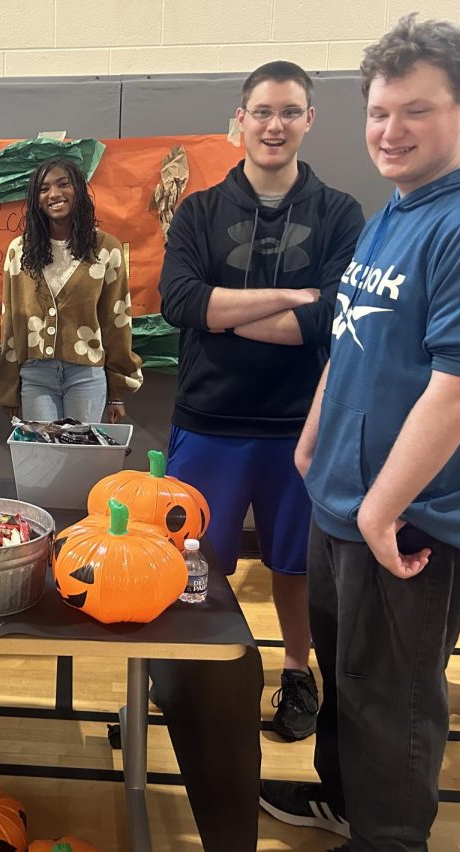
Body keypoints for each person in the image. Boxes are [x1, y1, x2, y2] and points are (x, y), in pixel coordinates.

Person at [259, 16, 460, 851]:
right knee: (351, 682)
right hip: (344, 496)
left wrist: (383, 509)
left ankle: (389, 837)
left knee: (394, 695)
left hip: (407, 516)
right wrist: (312, 439)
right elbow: (354, 336)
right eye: (380, 112)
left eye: (414, 111)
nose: (390, 131)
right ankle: (345, 802)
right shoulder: (401, 207)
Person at [156, 61, 364, 742]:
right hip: (210, 422)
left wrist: (227, 312)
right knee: (195, 563)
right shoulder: (199, 211)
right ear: (238, 121)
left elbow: (334, 315)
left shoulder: (340, 213)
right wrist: (290, 298)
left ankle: (298, 673)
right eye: (263, 111)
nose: (275, 125)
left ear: (309, 121)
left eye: (290, 111)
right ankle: (194, 673)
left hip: (299, 427)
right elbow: (182, 303)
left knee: (296, 566)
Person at [0, 156, 143, 424]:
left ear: (78, 189)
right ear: (35, 199)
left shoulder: (106, 248)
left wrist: (117, 393)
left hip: (86, 375)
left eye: (63, 184)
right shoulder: (19, 250)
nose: (54, 194)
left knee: (83, 457)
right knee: (45, 459)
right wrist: (8, 389)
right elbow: (11, 323)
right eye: (44, 188)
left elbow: (117, 322)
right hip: (36, 376)